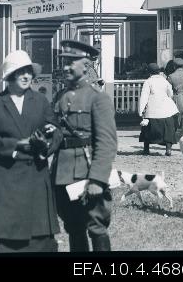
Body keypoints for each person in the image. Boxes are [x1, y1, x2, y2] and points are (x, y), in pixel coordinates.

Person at [0, 50, 63, 252]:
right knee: (11, 240)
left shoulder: (41, 101)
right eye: (20, 72)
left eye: (29, 72)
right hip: (6, 180)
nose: (26, 76)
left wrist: (47, 142)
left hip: (36, 176)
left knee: (41, 239)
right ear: (9, 76)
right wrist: (15, 145)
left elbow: (56, 131)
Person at [51, 40, 117, 253]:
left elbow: (106, 143)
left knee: (96, 226)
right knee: (73, 226)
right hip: (62, 173)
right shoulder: (60, 97)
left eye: (72, 62)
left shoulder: (98, 99)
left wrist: (97, 179)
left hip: (87, 172)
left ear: (86, 65)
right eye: (64, 62)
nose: (66, 67)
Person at [138, 63, 179, 156]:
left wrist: (140, 111)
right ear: (159, 72)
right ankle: (168, 150)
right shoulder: (165, 81)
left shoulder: (148, 82)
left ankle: (146, 149)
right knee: (168, 129)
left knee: (147, 129)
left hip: (152, 110)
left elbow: (144, 97)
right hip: (166, 110)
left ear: (149, 72)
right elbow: (170, 94)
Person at [167, 58, 183, 139]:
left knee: (176, 116)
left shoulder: (171, 76)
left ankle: (176, 135)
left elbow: (168, 90)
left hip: (176, 97)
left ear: (174, 66)